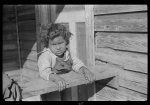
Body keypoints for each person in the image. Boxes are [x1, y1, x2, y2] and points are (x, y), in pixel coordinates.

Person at [38, 23, 95, 100]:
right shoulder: (46, 56)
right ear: (47, 44)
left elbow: (76, 64)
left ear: (66, 41)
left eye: (61, 43)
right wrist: (56, 78)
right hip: (52, 88)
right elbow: (44, 72)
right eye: (53, 44)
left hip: (65, 84)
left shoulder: (68, 53)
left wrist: (84, 70)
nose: (58, 47)